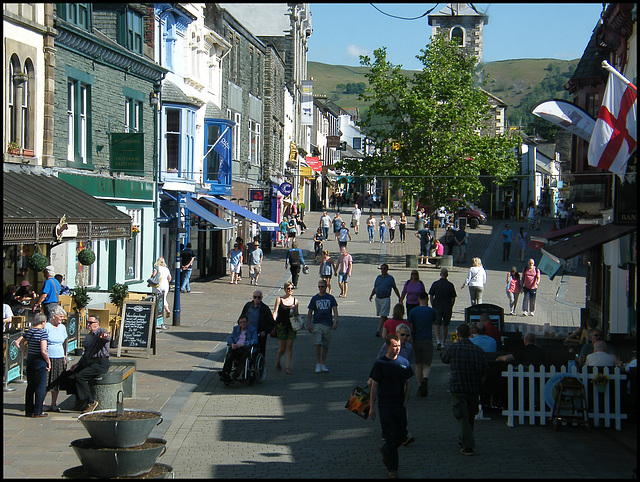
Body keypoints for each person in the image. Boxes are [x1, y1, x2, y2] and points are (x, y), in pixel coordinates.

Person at [368, 334, 414, 479]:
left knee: (401, 435)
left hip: (399, 403)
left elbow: (409, 383)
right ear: (387, 346)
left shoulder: (404, 362)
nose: (397, 348)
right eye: (394, 345)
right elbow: (374, 385)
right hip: (385, 404)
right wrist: (371, 406)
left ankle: (386, 450)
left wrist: (406, 401)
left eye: (399, 345)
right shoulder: (380, 363)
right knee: (390, 436)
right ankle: (392, 469)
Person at [440, 323, 488, 456]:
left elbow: (444, 359)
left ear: (458, 334)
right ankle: (464, 439)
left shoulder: (454, 348)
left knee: (462, 415)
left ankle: (468, 445)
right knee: (470, 415)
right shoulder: (478, 350)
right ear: (470, 334)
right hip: (473, 387)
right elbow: (485, 370)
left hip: (458, 386)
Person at [68, 314, 111, 413]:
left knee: (80, 377)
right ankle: (80, 399)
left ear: (97, 323)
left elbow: (107, 338)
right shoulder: (89, 336)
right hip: (90, 361)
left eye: (91, 323)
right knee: (70, 375)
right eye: (88, 322)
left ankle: (91, 402)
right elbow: (86, 353)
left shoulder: (101, 332)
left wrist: (104, 337)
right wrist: (78, 364)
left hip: (101, 363)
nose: (88, 324)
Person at [14, 313, 50, 417]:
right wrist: (48, 361)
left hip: (30, 360)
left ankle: (29, 410)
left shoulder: (28, 332)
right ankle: (38, 411)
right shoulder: (42, 333)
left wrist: (24, 352)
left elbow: (17, 342)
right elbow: (43, 350)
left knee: (30, 386)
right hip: (40, 360)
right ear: (42, 322)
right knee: (40, 386)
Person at [307, 279, 339, 373]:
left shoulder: (331, 298)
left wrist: (335, 321)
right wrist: (309, 324)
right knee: (317, 343)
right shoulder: (315, 298)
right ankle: (317, 363)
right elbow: (310, 312)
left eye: (322, 287)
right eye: (319, 287)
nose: (320, 288)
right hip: (317, 323)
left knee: (325, 345)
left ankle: (323, 363)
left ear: (326, 287)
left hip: (328, 324)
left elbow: (335, 311)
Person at [408, 292, 436, 397]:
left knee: (418, 364)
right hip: (427, 339)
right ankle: (426, 378)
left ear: (418, 299)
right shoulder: (431, 311)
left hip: (416, 339)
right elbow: (434, 322)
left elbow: (410, 326)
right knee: (427, 363)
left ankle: (420, 385)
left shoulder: (413, 311)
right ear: (427, 299)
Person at [218, 316, 258, 381]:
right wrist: (232, 344)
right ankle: (225, 373)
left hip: (246, 348)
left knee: (244, 358)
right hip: (236, 347)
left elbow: (255, 340)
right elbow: (231, 338)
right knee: (229, 355)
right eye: (241, 322)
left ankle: (235, 375)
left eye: (244, 322)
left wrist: (244, 344)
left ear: (247, 322)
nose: (243, 324)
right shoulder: (236, 329)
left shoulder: (252, 329)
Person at [44, 305, 68, 412]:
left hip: (59, 357)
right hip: (48, 357)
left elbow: (65, 341)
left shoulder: (62, 327)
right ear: (54, 316)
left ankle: (53, 404)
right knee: (45, 382)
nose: (62, 319)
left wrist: (64, 355)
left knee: (56, 383)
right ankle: (40, 403)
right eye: (61, 317)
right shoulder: (47, 327)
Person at [272, 281, 299, 375]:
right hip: (281, 325)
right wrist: (273, 322)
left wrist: (295, 310)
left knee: (290, 346)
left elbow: (297, 315)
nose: (290, 290)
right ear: (285, 289)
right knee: (282, 347)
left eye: (292, 288)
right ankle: (278, 360)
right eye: (288, 288)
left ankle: (287, 367)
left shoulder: (295, 301)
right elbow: (275, 312)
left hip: (291, 325)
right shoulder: (279, 299)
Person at [239, 290, 275, 358]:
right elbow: (241, 318)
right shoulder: (248, 306)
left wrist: (265, 332)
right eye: (255, 297)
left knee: (256, 351)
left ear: (261, 298)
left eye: (259, 297)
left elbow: (271, 323)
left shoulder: (265, 308)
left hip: (258, 334)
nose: (256, 299)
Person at [370, 264, 401, 338]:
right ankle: (391, 326)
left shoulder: (390, 278)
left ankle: (378, 330)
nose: (382, 270)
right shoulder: (378, 278)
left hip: (386, 298)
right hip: (378, 298)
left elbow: (395, 288)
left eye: (384, 269)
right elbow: (375, 287)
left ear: (387, 270)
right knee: (383, 315)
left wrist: (399, 297)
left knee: (383, 315)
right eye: (381, 269)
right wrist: (371, 295)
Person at [429, 268, 457, 350]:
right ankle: (443, 342)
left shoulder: (435, 284)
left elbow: (431, 295)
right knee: (445, 325)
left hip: (437, 306)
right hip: (447, 307)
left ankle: (438, 340)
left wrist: (432, 304)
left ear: (440, 274)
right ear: (447, 275)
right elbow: (453, 297)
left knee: (436, 324)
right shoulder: (450, 285)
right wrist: (451, 305)